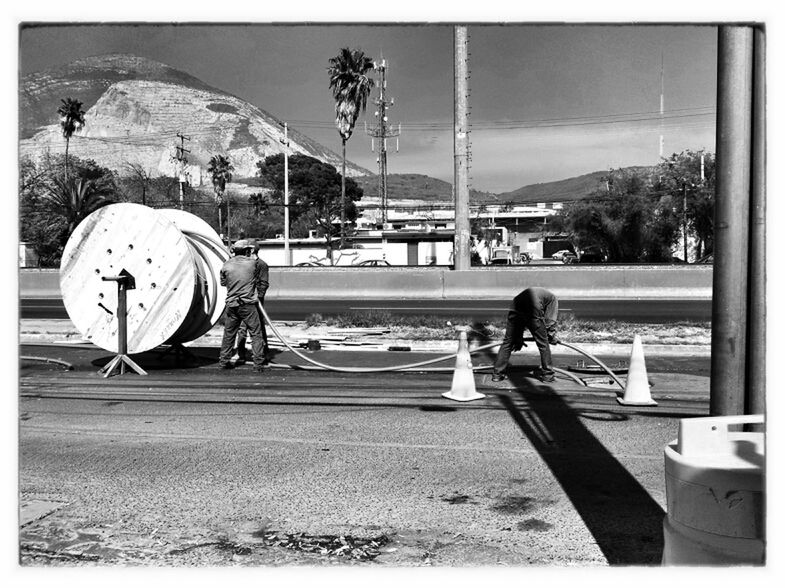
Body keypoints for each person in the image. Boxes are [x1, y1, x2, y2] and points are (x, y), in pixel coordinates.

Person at [218, 239, 268, 372]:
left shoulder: (226, 265)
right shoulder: (253, 264)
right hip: (248, 304)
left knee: (229, 334)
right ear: (247, 251)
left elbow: (223, 283)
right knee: (256, 334)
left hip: (232, 304)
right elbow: (260, 279)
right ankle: (258, 364)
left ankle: (224, 361)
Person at [492, 287, 560, 383]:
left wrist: (518, 337)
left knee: (508, 342)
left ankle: (497, 375)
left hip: (515, 305)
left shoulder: (542, 294)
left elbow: (521, 320)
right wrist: (551, 337)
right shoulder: (553, 299)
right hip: (533, 306)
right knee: (543, 343)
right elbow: (550, 322)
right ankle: (548, 375)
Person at [234, 241, 270, 365]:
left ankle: (263, 355)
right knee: (242, 329)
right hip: (245, 302)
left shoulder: (262, 265)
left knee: (258, 330)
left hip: (255, 303)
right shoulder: (245, 265)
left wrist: (257, 297)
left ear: (252, 251)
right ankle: (241, 354)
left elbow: (264, 284)